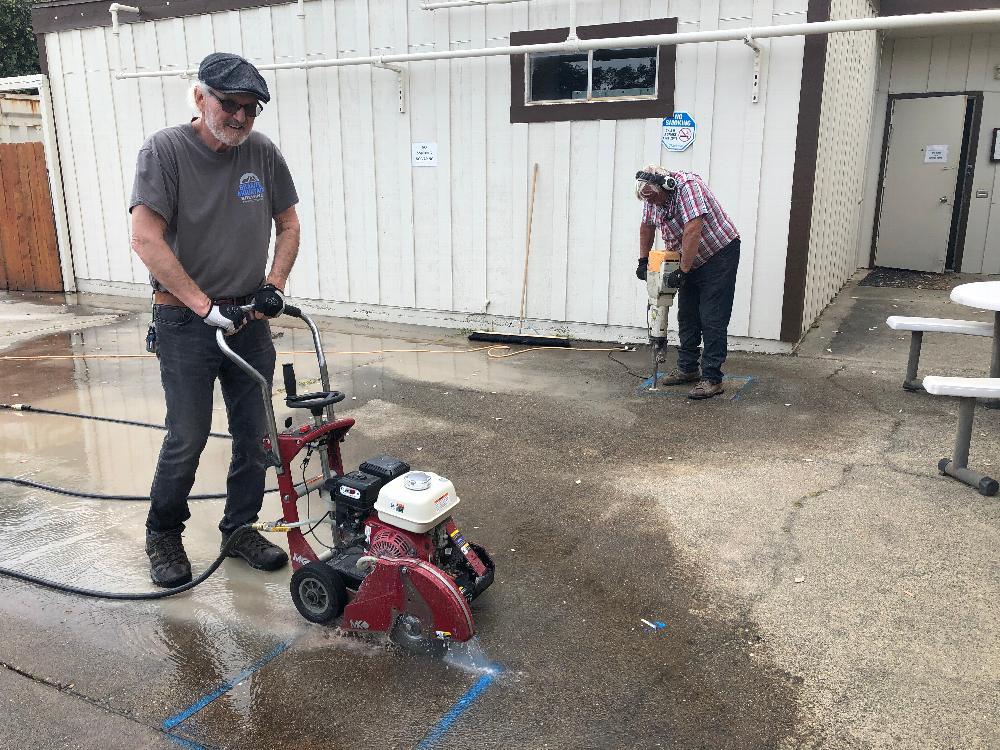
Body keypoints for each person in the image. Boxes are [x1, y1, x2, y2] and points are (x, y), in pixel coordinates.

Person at [129, 52, 301, 587]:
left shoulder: (262, 153)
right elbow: (145, 238)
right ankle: (163, 533)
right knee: (188, 433)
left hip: (248, 318)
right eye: (230, 104)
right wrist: (205, 306)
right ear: (200, 97)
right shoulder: (165, 151)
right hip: (185, 321)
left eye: (251, 109)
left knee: (256, 434)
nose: (240, 117)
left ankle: (240, 528)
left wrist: (273, 285)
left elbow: (289, 224)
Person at [635, 166, 741, 400]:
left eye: (654, 197)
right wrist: (643, 260)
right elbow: (647, 226)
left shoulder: (688, 187)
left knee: (712, 315)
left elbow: (693, 229)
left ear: (666, 187)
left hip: (719, 253)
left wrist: (683, 271)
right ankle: (688, 368)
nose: (652, 203)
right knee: (688, 314)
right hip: (689, 255)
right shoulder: (652, 196)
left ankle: (713, 378)